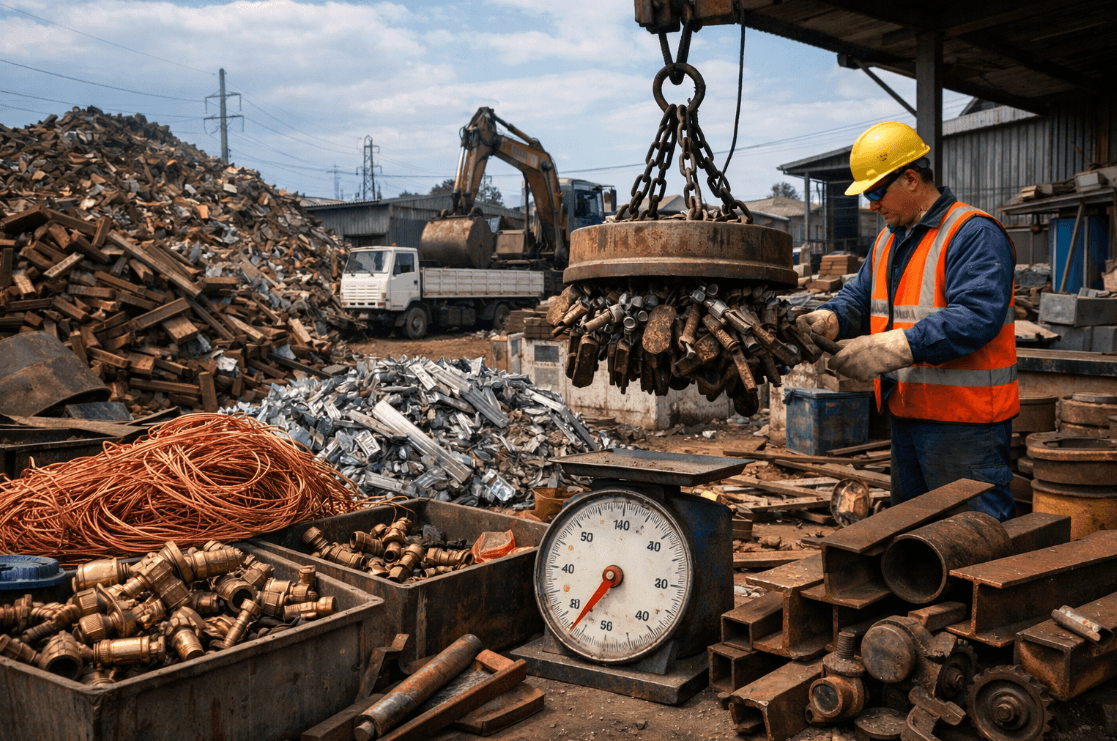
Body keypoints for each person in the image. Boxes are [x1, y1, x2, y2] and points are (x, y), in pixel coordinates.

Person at [797, 122, 1018, 521]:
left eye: (876, 192)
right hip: (908, 413)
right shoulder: (889, 238)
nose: (871, 205)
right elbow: (861, 297)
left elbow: (977, 315)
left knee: (974, 537)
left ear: (911, 178)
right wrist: (832, 318)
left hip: (963, 423)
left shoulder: (972, 233)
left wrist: (896, 347)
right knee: (915, 537)